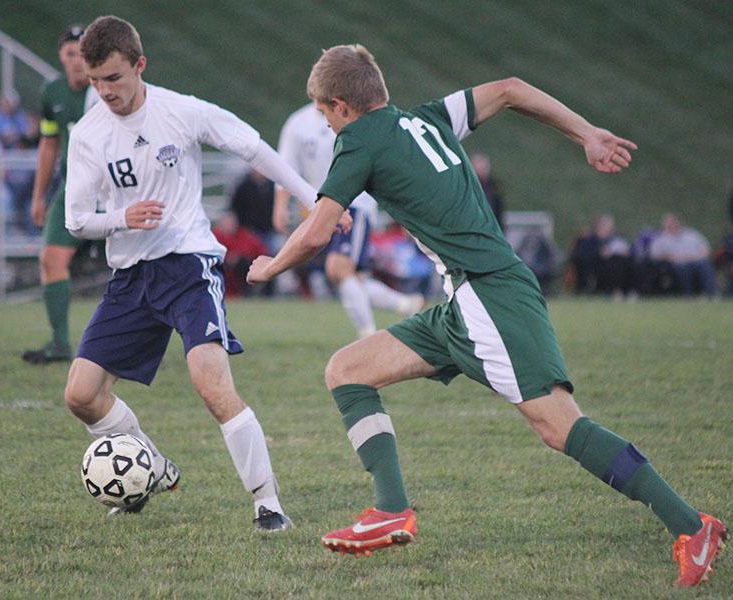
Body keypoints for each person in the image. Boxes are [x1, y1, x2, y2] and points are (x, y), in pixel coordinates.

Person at [247, 44, 725, 585]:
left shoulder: (359, 138)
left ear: (343, 106)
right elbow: (511, 89)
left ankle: (692, 525)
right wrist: (586, 133)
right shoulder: (424, 118)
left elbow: (314, 231)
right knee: (347, 369)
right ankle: (389, 509)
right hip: (463, 301)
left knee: (558, 425)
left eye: (325, 114)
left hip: (488, 298)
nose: (327, 126)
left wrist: (270, 267)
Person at [61, 15, 333, 531]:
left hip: (187, 264)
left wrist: (314, 201)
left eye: (114, 78)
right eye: (96, 81)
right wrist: (123, 217)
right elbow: (77, 219)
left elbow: (251, 145)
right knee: (80, 395)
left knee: (210, 384)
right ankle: (154, 467)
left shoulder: (179, 112)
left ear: (140, 66)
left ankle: (268, 503)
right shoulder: (88, 134)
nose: (105, 92)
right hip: (130, 276)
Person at [275, 102, 424, 339]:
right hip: (321, 209)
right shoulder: (297, 123)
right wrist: (281, 206)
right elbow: (286, 167)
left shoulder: (355, 115)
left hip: (355, 203)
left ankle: (368, 335)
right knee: (349, 277)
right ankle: (405, 304)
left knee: (338, 267)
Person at [21, 26, 100, 364]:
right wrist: (39, 196)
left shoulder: (105, 89)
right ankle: (60, 344)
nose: (78, 61)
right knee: (51, 260)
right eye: (71, 54)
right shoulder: (52, 91)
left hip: (114, 193)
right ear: (62, 57)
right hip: (73, 192)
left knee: (144, 266)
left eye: (83, 54)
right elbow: (49, 143)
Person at [649, 213, 717, 298]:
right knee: (682, 268)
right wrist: (673, 258)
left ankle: (712, 294)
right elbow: (655, 255)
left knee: (703, 265)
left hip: (695, 261)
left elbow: (706, 249)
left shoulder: (692, 234)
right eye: (668, 223)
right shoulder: (661, 239)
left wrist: (696, 257)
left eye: (673, 222)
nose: (671, 224)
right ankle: (688, 295)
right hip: (675, 264)